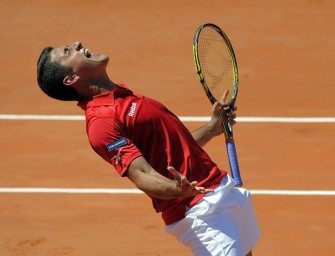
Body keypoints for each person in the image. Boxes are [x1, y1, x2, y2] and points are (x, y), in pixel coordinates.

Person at [37, 41, 260, 256]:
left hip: (221, 189)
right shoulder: (101, 122)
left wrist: (212, 128)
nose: (77, 43)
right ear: (72, 78)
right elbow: (141, 174)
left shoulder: (121, 96)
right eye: (67, 52)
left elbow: (171, 147)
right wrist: (178, 190)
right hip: (200, 211)